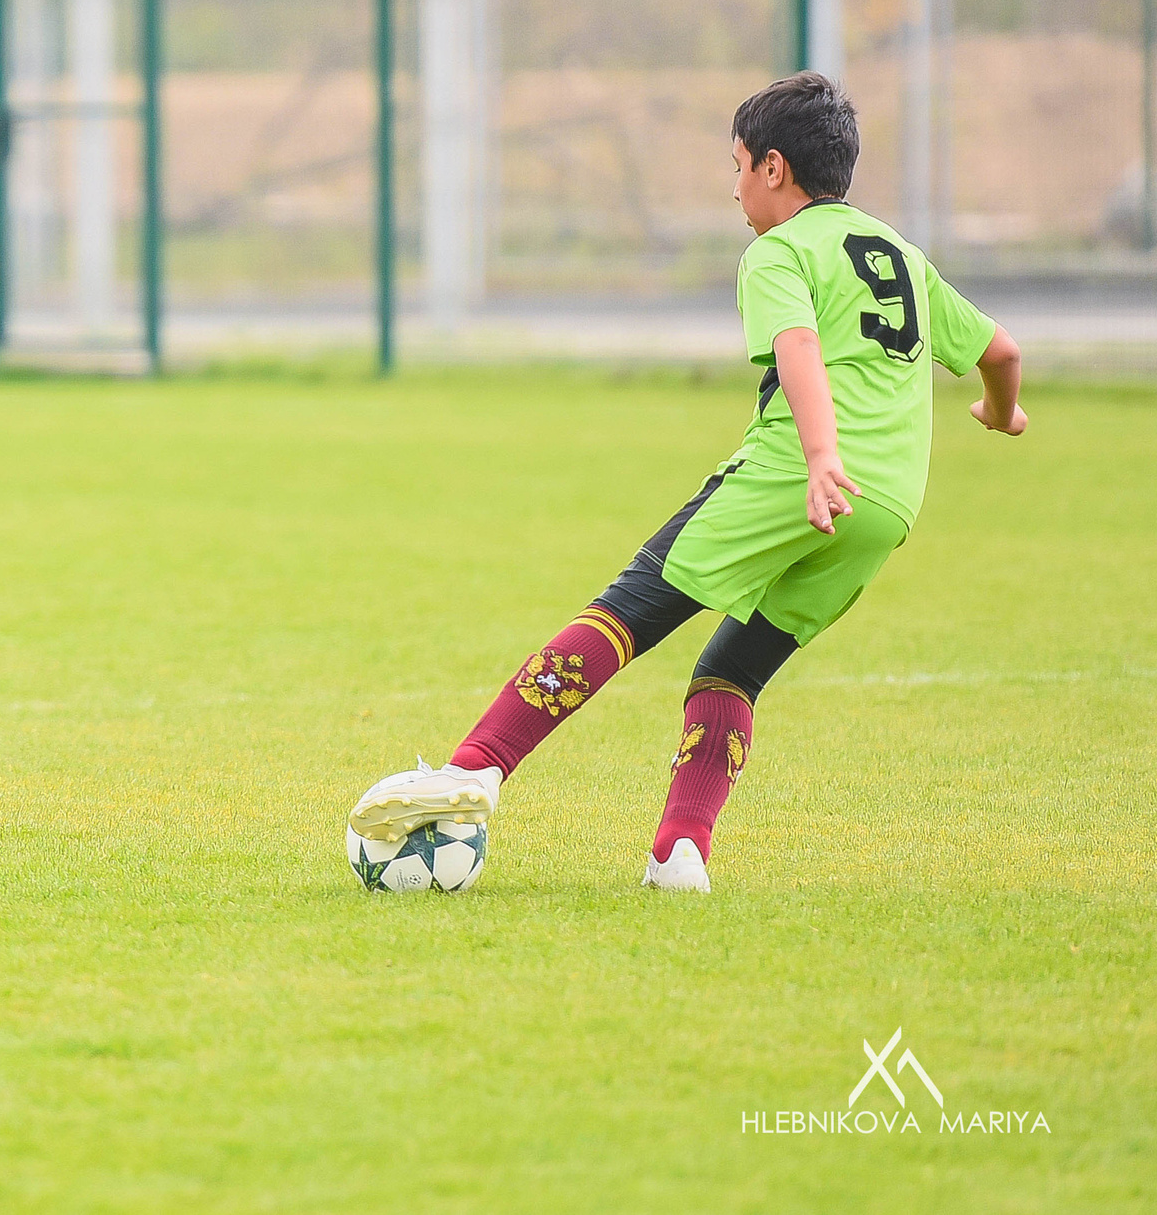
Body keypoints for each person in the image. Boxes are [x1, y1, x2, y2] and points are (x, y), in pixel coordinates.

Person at [349, 71, 1026, 891]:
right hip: (886, 507)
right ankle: (680, 854)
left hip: (799, 476)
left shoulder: (779, 250)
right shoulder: (902, 255)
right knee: (733, 670)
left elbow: (799, 347)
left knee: (625, 609)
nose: (735, 188)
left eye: (737, 165)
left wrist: (817, 456)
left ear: (773, 168)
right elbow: (1001, 353)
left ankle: (475, 769)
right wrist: (1000, 412)